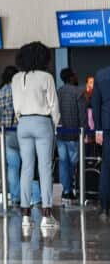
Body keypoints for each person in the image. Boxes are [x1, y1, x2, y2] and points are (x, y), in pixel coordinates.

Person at [12, 42, 58, 232]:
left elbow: (16, 106)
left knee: (26, 168)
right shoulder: (46, 77)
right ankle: (46, 215)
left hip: (23, 124)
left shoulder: (16, 78)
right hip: (42, 122)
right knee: (45, 167)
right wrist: (54, 126)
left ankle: (25, 215)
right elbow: (54, 105)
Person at [0, 65, 25, 207]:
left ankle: (15, 198)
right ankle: (31, 197)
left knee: (12, 168)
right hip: (23, 133)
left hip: (6, 134)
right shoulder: (22, 92)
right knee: (27, 166)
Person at [55, 67, 86, 202]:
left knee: (63, 162)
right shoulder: (79, 92)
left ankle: (66, 191)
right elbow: (82, 115)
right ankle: (73, 188)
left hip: (61, 134)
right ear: (71, 77)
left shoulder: (58, 92)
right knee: (74, 163)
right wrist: (84, 131)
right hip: (74, 134)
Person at [91, 65, 110, 218]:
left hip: (107, 126)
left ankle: (104, 207)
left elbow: (95, 104)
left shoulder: (101, 74)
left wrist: (98, 129)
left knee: (106, 166)